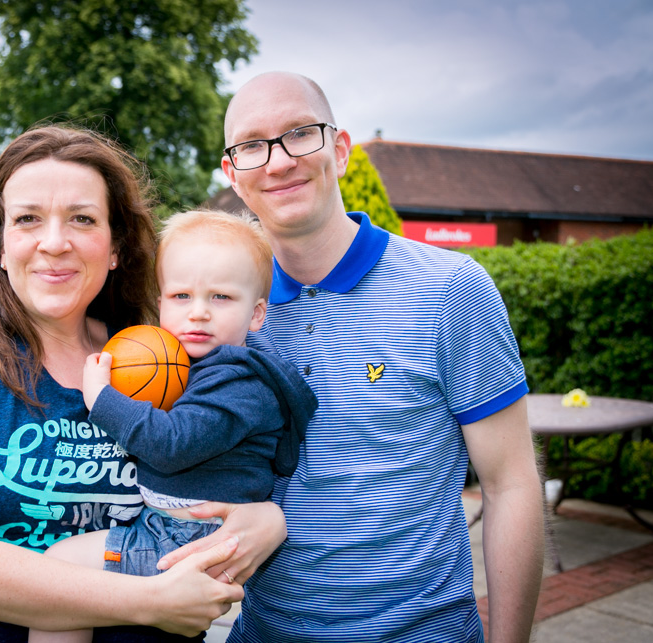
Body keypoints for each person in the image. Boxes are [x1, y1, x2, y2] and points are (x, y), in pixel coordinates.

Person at [162, 72, 546, 641]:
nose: (278, 162)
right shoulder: (215, 314)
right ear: (233, 174)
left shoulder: (449, 289)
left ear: (339, 150)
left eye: (300, 133)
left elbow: (511, 484)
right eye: (252, 145)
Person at [0, 126, 289, 642]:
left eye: (82, 218)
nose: (55, 242)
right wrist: (150, 602)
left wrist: (268, 520)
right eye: (28, 219)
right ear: (0, 246)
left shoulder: (164, 350)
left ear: (115, 246)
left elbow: (236, 455)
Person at [30, 210, 318, 643]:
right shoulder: (203, 367)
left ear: (257, 314)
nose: (198, 313)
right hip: (172, 526)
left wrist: (102, 398)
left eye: (221, 297)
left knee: (60, 569)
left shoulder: (239, 382)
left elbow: (172, 444)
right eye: (181, 296)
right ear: (160, 303)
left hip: (189, 537)